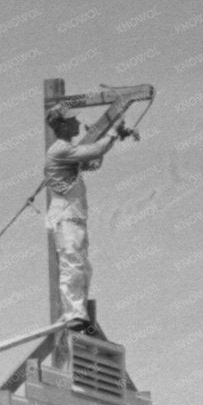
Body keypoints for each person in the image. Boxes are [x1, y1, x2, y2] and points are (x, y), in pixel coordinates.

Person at [43, 107, 137, 337]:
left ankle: (79, 314)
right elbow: (95, 149)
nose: (76, 122)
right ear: (62, 126)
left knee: (83, 268)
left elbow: (93, 160)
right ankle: (73, 314)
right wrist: (113, 132)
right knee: (72, 265)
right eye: (71, 120)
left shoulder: (68, 151)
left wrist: (114, 136)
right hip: (66, 217)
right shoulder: (60, 149)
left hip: (75, 218)